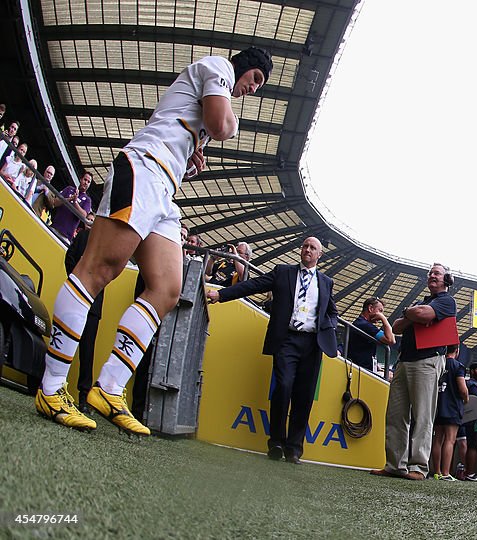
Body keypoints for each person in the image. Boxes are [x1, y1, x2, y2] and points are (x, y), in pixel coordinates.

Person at [34, 47, 273, 435]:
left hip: (163, 188)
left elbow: (187, 124)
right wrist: (226, 126)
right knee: (98, 270)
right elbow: (220, 123)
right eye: (255, 80)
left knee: (166, 288)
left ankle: (109, 388)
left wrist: (191, 154)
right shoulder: (219, 69)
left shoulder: (213, 84)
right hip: (143, 168)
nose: (253, 89)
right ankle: (50, 387)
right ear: (244, 66)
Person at [207, 236, 337, 463]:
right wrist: (221, 294)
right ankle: (276, 442)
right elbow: (253, 285)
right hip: (286, 340)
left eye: (313, 248)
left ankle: (294, 449)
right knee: (283, 387)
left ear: (319, 254)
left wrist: (329, 326)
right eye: (305, 246)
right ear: (301, 250)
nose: (308, 250)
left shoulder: (326, 282)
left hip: (312, 345)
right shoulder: (283, 272)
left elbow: (332, 311)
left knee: (304, 397)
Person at [371, 263, 457, 481]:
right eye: (430, 273)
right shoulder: (421, 303)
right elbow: (397, 327)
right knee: (395, 415)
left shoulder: (447, 300)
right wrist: (413, 314)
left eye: (436, 273)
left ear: (447, 279)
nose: (432, 276)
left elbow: (423, 314)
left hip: (427, 360)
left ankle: (418, 466)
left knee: (422, 415)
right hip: (404, 360)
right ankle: (394, 465)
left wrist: (411, 313)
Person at [430, 356, 468, 481]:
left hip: (438, 406)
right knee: (450, 440)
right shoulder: (458, 366)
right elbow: (463, 389)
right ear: (457, 351)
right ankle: (446, 473)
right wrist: (466, 399)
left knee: (437, 441)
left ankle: (436, 472)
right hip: (452, 408)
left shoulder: (438, 363)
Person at [347, 297, 396, 374]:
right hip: (361, 370)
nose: (381, 314)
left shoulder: (363, 324)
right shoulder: (363, 325)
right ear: (370, 308)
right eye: (380, 311)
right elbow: (391, 340)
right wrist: (384, 319)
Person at [49, 171, 92, 242]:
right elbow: (55, 202)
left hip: (66, 236)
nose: (86, 183)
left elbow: (83, 215)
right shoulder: (69, 189)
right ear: (81, 179)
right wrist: (69, 199)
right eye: (85, 179)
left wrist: (75, 202)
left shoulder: (87, 200)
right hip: (55, 227)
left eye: (88, 182)